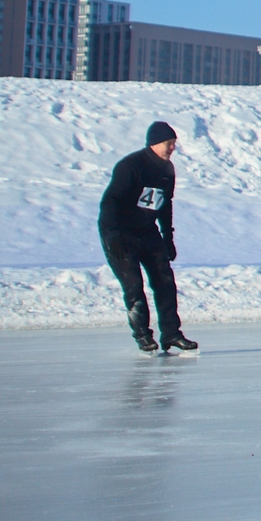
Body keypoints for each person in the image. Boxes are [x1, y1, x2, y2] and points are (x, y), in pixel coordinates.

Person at [99, 120, 195, 356]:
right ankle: (143, 336)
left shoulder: (167, 170)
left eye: (174, 143)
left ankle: (171, 334)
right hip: (120, 234)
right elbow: (110, 201)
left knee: (165, 282)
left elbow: (164, 204)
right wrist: (113, 235)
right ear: (154, 143)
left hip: (147, 231)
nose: (172, 148)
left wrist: (167, 236)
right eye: (168, 143)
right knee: (134, 286)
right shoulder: (130, 166)